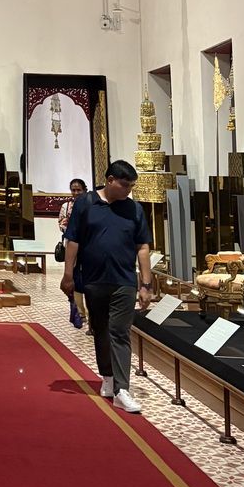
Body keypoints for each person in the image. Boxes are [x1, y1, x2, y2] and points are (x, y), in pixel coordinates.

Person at [60, 160, 151, 414]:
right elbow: (73, 240)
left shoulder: (134, 209)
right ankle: (108, 377)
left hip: (124, 281)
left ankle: (123, 389)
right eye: (125, 185)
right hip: (94, 280)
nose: (128, 190)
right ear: (110, 180)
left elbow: (142, 247)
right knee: (100, 329)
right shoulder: (86, 204)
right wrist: (68, 275)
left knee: (120, 332)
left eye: (131, 186)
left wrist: (145, 284)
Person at [56, 178, 88, 329]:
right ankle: (80, 312)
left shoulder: (90, 205)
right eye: (73, 190)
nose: (76, 193)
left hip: (88, 245)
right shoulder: (66, 206)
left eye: (78, 190)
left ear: (84, 190)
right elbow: (62, 224)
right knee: (75, 277)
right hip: (71, 244)